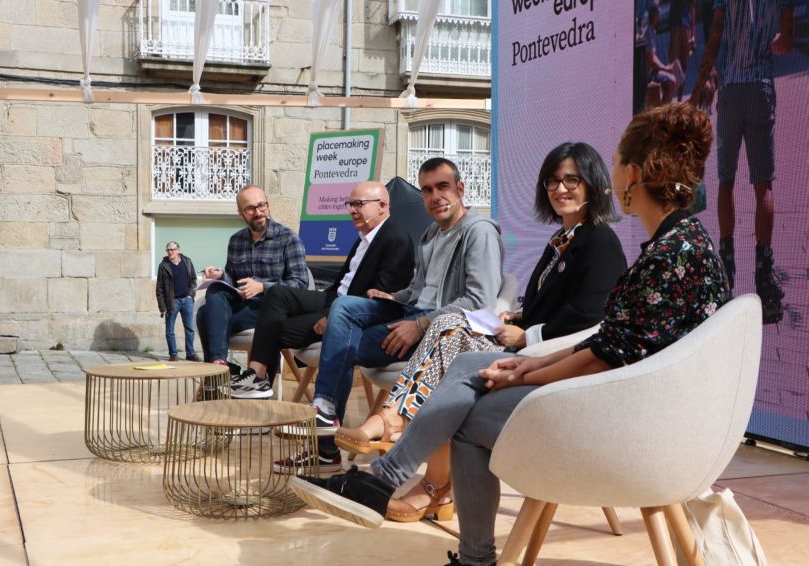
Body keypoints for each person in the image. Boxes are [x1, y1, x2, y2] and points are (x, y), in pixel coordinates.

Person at [289, 102, 731, 566]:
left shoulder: (667, 255)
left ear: (631, 175)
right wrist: (528, 361)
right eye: (554, 181)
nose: (571, 186)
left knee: (467, 413)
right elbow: (615, 342)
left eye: (610, 166)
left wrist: (527, 368)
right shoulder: (682, 245)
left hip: (627, 426)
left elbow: (606, 350)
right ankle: (387, 478)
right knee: (465, 366)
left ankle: (417, 505)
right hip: (633, 406)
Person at [334, 142, 627, 521]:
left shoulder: (599, 240)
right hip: (528, 344)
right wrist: (517, 318)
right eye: (553, 180)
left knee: (446, 327)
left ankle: (400, 434)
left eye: (572, 179)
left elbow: (591, 315)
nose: (560, 189)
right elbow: (552, 305)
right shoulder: (562, 241)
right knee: (449, 342)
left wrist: (528, 335)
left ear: (592, 182)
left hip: (552, 358)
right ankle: (420, 469)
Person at [277, 157, 504, 473]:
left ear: (460, 189)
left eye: (443, 187)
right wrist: (394, 296)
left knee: (341, 343)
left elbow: (480, 303)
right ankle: (326, 411)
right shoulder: (430, 235)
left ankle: (324, 446)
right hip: (412, 313)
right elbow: (419, 289)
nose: (435, 196)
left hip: (441, 331)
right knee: (345, 307)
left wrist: (419, 325)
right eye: (426, 190)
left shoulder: (478, 232)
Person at [229, 180, 415, 402]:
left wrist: (333, 317)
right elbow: (342, 284)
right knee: (277, 293)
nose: (352, 210)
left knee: (272, 329)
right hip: (332, 298)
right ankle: (257, 375)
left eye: (359, 204)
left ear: (382, 205)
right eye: (350, 203)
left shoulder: (396, 239)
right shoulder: (363, 239)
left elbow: (379, 297)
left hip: (349, 313)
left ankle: (257, 387)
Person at [690, 0, 794, 324]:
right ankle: (764, 279)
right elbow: (785, 44)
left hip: (732, 90)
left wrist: (698, 88)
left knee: (726, 181)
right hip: (760, 87)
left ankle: (727, 272)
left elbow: (715, 38)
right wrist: (764, 44)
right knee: (763, 183)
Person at [195, 185, 308, 370]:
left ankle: (217, 369)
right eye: (250, 208)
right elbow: (233, 281)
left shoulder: (288, 239)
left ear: (268, 205)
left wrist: (262, 287)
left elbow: (300, 285)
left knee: (205, 316)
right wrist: (221, 275)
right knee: (215, 290)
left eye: (261, 205)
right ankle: (220, 364)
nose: (258, 212)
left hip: (271, 309)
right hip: (243, 306)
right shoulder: (236, 241)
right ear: (241, 213)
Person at [155, 241, 200, 362]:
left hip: (187, 300)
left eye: (172, 249)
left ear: (178, 250)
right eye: (168, 250)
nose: (170, 252)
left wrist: (191, 294)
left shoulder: (187, 261)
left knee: (190, 329)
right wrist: (162, 306)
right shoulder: (163, 265)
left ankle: (190, 353)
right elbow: (159, 288)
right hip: (172, 302)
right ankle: (173, 354)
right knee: (170, 330)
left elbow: (193, 279)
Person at [643, 1, 679, 108]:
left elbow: (654, 57)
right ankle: (662, 111)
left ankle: (663, 108)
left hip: (653, 70)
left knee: (676, 77)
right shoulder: (648, 33)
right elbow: (652, 60)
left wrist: (665, 67)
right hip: (650, 74)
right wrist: (666, 69)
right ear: (655, 14)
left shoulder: (652, 31)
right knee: (671, 80)